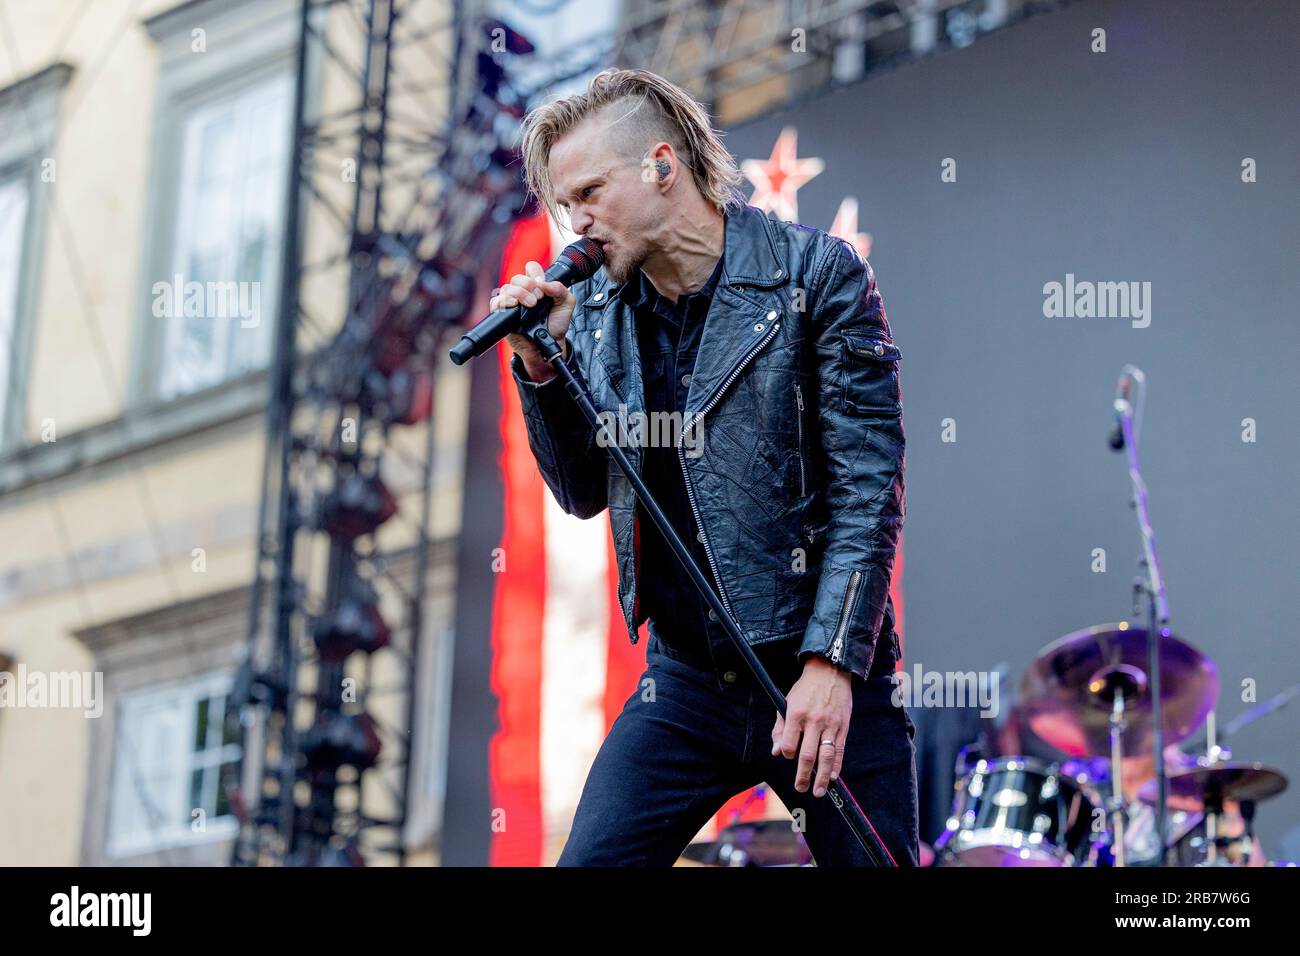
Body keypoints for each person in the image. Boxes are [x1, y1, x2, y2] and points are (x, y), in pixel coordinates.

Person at [495, 68, 915, 866]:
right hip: (687, 680)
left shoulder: (815, 274)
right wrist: (541, 364)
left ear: (662, 166)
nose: (574, 223)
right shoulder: (599, 314)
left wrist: (831, 666)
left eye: (587, 194)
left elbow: (869, 492)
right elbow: (584, 491)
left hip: (818, 667)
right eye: (562, 206)